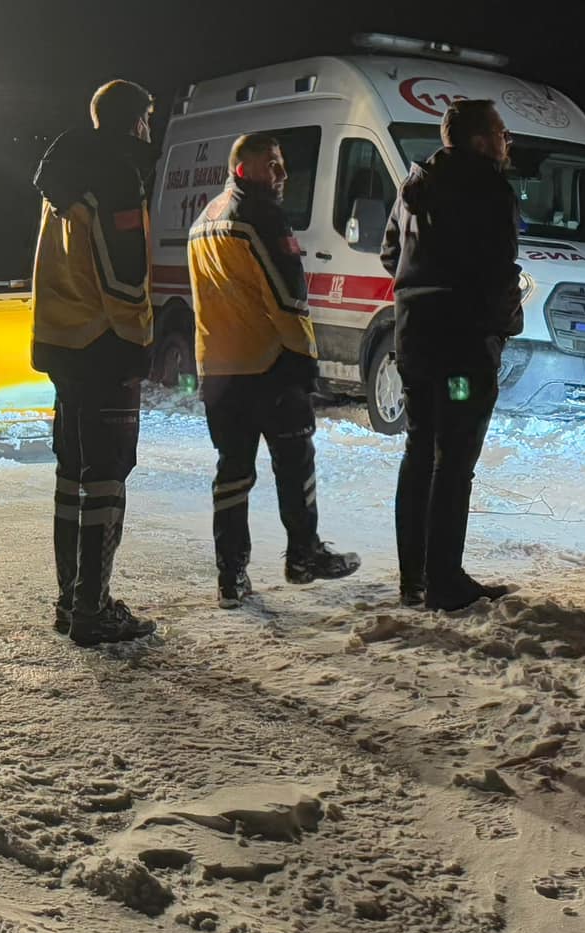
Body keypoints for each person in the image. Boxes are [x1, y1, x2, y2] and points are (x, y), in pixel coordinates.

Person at [189, 133, 360, 608]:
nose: (281, 175)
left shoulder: (205, 217)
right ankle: (303, 554)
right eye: (272, 165)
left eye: (283, 164)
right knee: (294, 462)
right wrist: (305, 360)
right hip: (267, 365)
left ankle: (230, 577)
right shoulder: (260, 214)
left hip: (219, 370)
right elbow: (289, 297)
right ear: (243, 168)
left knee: (233, 474)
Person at [30, 80, 160, 648]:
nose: (150, 133)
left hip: (63, 340)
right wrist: (139, 341)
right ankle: (93, 607)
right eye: (147, 121)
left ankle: (70, 599)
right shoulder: (116, 174)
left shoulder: (65, 169)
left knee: (73, 474)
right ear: (133, 123)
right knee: (106, 476)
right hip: (105, 344)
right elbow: (124, 273)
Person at [381, 99, 520, 611]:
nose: (507, 146)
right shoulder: (489, 187)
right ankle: (444, 580)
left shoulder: (414, 184)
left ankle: (412, 577)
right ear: (481, 139)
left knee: (419, 450)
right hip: (464, 343)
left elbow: (389, 254)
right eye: (503, 135)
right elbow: (497, 267)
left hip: (415, 337)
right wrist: (497, 330)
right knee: (455, 458)